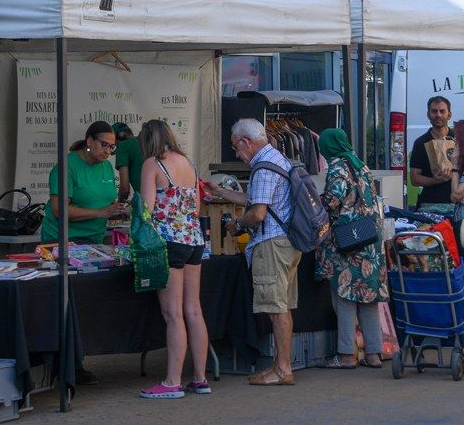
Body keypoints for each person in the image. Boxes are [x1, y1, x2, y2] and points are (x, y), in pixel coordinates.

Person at [206, 118, 300, 386]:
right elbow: (256, 200)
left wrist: (236, 224)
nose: (237, 154)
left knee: (276, 308)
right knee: (281, 306)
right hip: (287, 242)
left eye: (236, 148)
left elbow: (257, 214)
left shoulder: (262, 168)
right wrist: (221, 191)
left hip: (271, 244)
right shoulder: (277, 159)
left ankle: (283, 369)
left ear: (246, 142)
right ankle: (282, 365)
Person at [136, 119, 210, 399]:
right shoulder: (188, 164)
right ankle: (200, 378)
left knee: (173, 314)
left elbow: (146, 209)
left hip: (167, 242)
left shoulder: (153, 165)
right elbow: (196, 206)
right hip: (193, 240)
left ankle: (172, 381)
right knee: (194, 310)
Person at [315, 128, 388, 369]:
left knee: (345, 293)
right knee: (368, 297)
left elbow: (333, 201)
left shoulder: (337, 167)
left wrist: (314, 201)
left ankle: (347, 354)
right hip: (369, 240)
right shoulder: (361, 166)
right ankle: (374, 353)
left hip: (348, 241)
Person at [39, 120, 129, 244]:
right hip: (62, 241)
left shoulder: (107, 166)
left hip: (94, 240)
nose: (108, 151)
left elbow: (103, 206)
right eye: (104, 144)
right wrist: (100, 212)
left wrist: (117, 212)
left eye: (111, 147)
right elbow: (59, 210)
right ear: (90, 141)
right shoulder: (68, 166)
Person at [409, 96, 455, 212]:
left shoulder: (459, 139)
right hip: (430, 204)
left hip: (457, 203)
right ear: (428, 114)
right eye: (434, 111)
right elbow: (414, 179)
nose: (438, 115)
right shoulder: (420, 142)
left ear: (449, 115)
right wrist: (436, 180)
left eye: (442, 111)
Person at [112, 122, 144, 202]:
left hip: (146, 201)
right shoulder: (143, 141)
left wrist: (119, 205)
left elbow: (125, 188)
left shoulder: (123, 146)